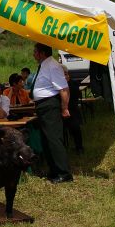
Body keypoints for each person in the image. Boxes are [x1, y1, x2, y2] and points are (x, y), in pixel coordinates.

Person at [29, 43, 72, 183]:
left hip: (50, 105)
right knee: (46, 139)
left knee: (54, 139)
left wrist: (64, 108)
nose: (33, 54)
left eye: (35, 52)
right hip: (42, 105)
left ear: (42, 53)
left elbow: (64, 89)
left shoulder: (52, 66)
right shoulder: (44, 65)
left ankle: (64, 173)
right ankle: (53, 170)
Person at [62, 66, 85, 154]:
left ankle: (79, 147)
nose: (65, 76)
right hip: (61, 111)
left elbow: (77, 94)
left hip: (73, 110)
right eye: (63, 75)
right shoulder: (57, 86)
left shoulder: (73, 83)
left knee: (76, 128)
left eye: (66, 74)